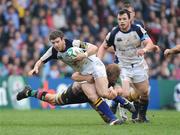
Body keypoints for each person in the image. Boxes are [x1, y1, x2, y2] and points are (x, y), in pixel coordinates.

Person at [25, 30, 134, 125]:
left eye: (57, 42)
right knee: (91, 95)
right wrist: (35, 67)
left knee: (103, 93)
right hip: (84, 74)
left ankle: (123, 102)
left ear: (63, 39)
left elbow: (94, 48)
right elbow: (41, 60)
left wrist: (84, 55)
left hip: (95, 67)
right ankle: (114, 119)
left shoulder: (74, 43)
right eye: (53, 43)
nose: (56, 45)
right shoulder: (53, 51)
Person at [17, 64, 134, 124]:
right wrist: (123, 102)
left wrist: (124, 102)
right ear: (111, 75)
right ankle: (29, 92)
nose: (116, 79)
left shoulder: (107, 79)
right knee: (53, 100)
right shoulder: (97, 75)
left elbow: (109, 92)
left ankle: (112, 119)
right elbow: (75, 76)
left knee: (106, 119)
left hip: (90, 97)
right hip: (74, 93)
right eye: (115, 77)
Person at [97, 9, 160, 123]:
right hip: (123, 67)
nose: (121, 21)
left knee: (144, 93)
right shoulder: (114, 33)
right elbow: (103, 47)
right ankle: (122, 105)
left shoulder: (137, 29)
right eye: (119, 19)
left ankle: (142, 117)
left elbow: (149, 43)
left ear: (129, 19)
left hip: (138, 65)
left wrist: (144, 49)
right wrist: (98, 62)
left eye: (124, 19)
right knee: (124, 93)